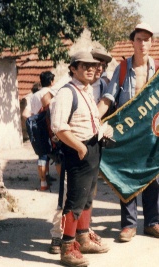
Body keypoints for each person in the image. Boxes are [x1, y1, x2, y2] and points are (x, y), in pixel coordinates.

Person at [97, 23, 159, 242]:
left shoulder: (158, 68)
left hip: (151, 133)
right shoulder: (122, 68)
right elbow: (108, 98)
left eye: (147, 39)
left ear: (151, 42)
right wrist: (94, 120)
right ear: (133, 41)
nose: (143, 43)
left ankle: (152, 222)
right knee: (126, 176)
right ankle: (129, 225)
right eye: (139, 39)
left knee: (152, 177)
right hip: (127, 133)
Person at [49, 50, 112, 266]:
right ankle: (67, 247)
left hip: (93, 148)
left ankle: (83, 238)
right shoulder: (66, 93)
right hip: (78, 152)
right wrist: (79, 147)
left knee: (87, 197)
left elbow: (88, 120)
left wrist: (102, 130)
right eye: (84, 66)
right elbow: (58, 127)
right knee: (74, 201)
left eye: (93, 66)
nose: (91, 69)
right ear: (73, 69)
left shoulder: (86, 90)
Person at [29, 79, 53, 191]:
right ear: (52, 81)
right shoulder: (50, 93)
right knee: (52, 156)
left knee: (42, 155)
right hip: (46, 125)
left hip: (35, 125)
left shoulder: (33, 96)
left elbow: (28, 113)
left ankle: (44, 181)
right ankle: (45, 180)